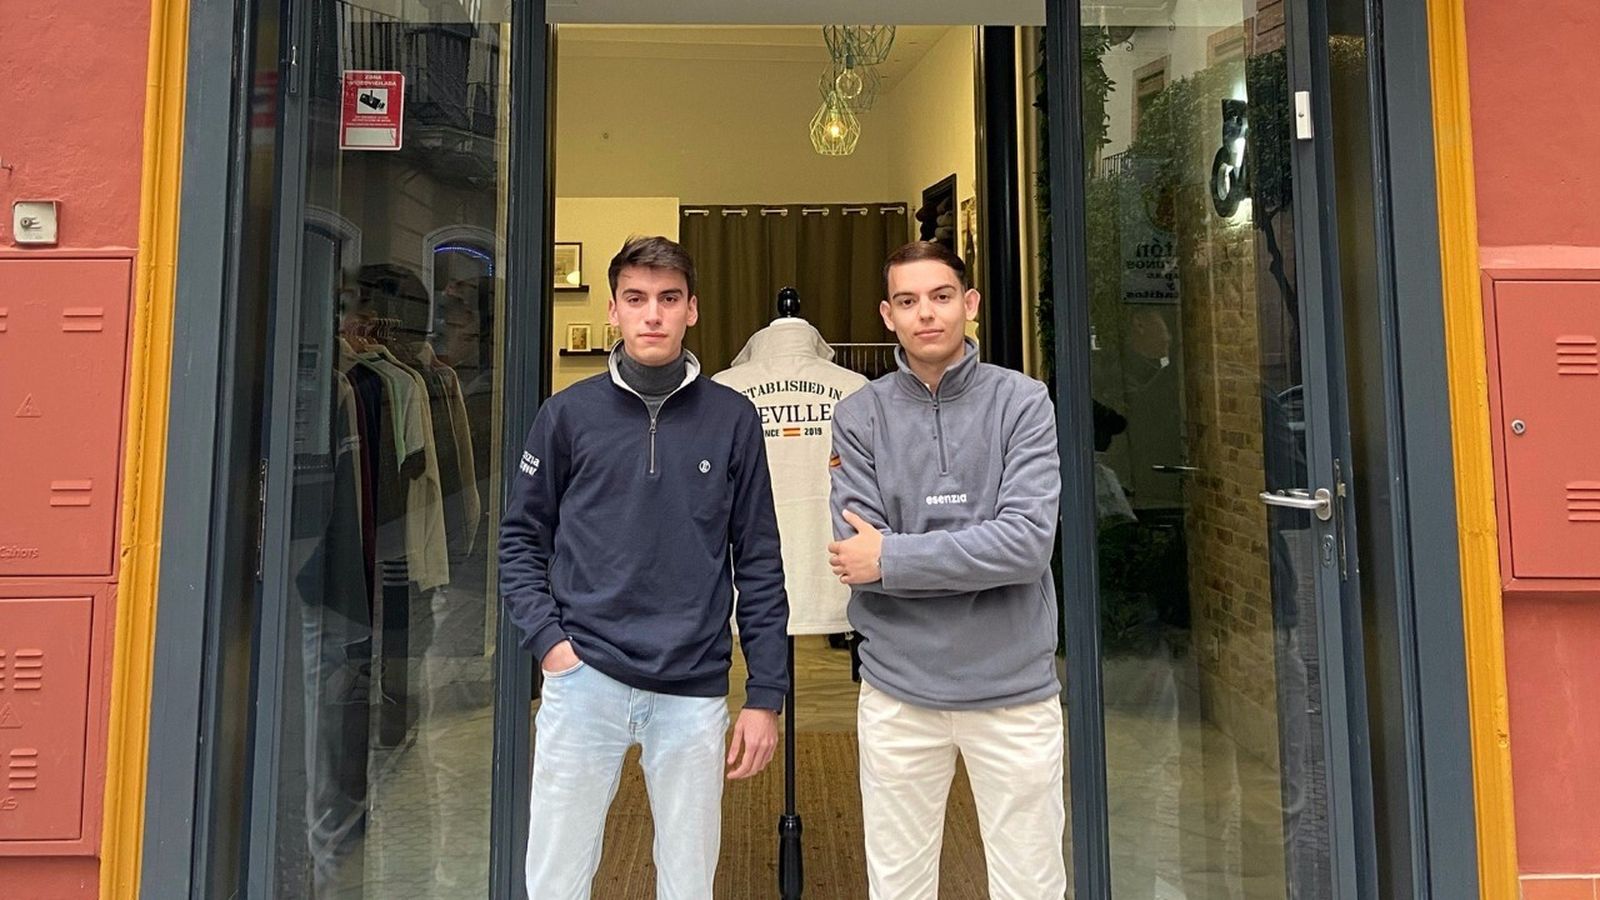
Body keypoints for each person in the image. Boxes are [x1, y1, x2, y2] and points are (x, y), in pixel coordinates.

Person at [499, 235, 789, 899]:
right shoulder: (566, 417)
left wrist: (766, 692)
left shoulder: (733, 419)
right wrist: (550, 645)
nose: (652, 314)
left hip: (692, 689)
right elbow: (520, 539)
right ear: (613, 311)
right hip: (582, 681)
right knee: (555, 880)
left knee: (688, 883)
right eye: (636, 299)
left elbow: (761, 560)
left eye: (668, 299)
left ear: (693, 310)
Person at [828, 240, 1066, 899]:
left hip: (1013, 694)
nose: (925, 314)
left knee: (1031, 885)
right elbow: (854, 558)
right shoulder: (858, 416)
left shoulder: (1023, 403)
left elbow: (1024, 546)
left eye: (939, 297)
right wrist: (962, 549)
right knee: (899, 887)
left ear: (969, 304)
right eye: (907, 301)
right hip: (899, 693)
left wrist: (895, 555)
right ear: (887, 314)